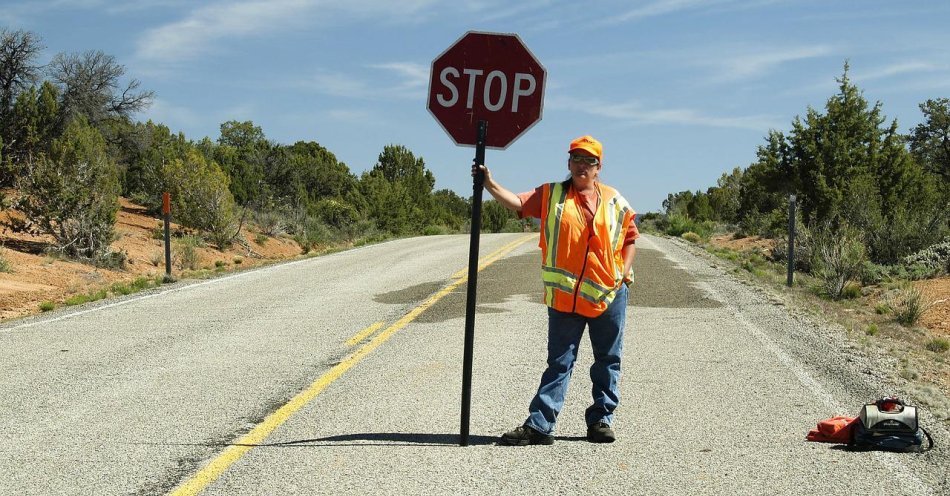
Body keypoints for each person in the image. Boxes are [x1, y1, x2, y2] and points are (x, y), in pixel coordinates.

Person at [473, 135, 638, 445]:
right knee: (559, 362)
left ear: (598, 167)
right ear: (568, 163)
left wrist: (623, 274)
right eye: (576, 158)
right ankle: (540, 425)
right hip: (565, 298)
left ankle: (601, 420)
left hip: (609, 295)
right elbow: (519, 203)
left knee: (608, 359)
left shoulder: (615, 199)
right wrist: (489, 185)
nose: (582, 165)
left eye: (589, 160)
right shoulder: (552, 195)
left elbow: (630, 239)